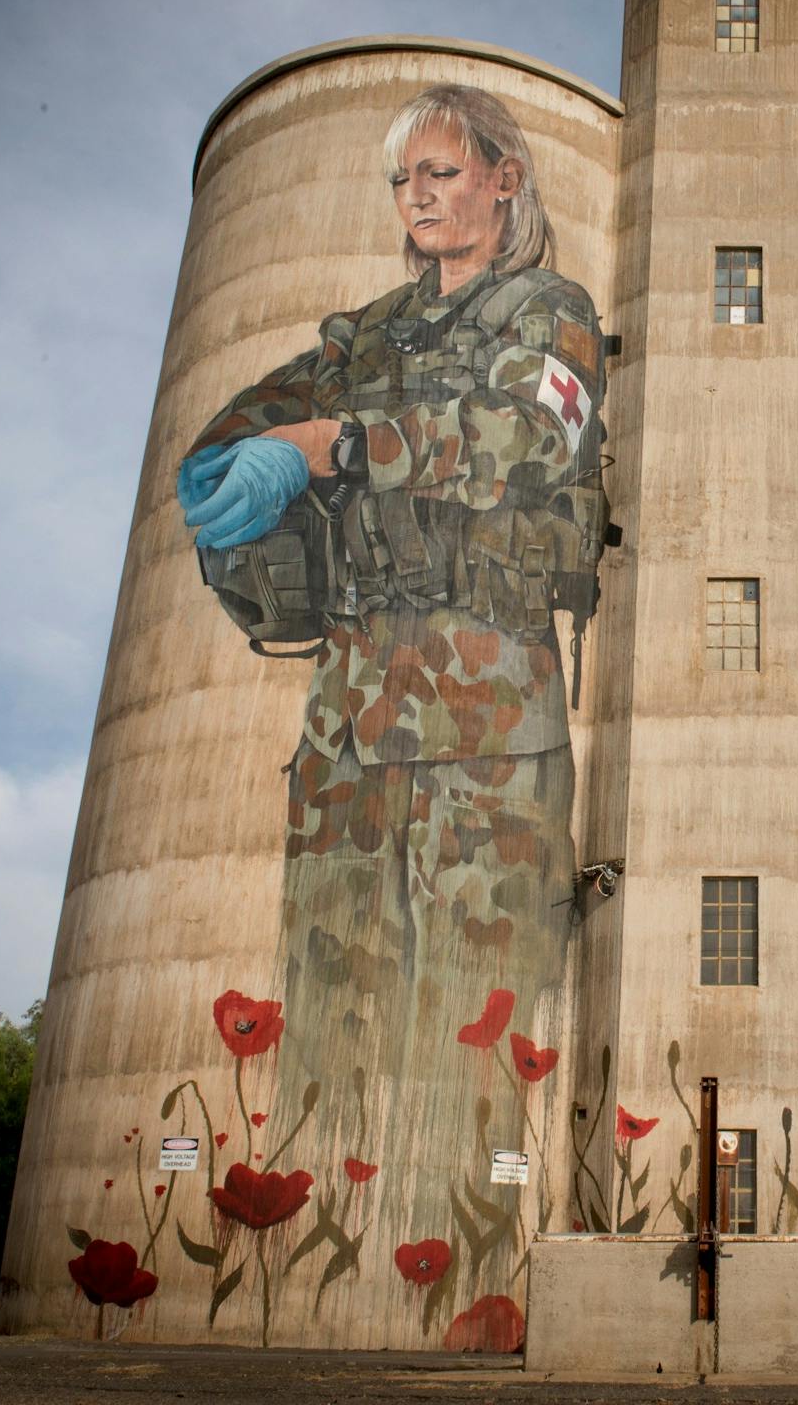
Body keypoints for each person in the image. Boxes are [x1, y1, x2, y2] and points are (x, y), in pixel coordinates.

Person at [177, 83, 603, 1344]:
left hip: (487, 723)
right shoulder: (359, 339)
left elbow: (528, 435)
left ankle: (468, 1296)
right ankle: (311, 1308)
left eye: (440, 173)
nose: (417, 198)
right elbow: (235, 438)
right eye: (401, 181)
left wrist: (333, 449)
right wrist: (232, 477)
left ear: (504, 181)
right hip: (349, 717)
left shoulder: (547, 314)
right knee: (331, 1016)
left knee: (477, 1027)